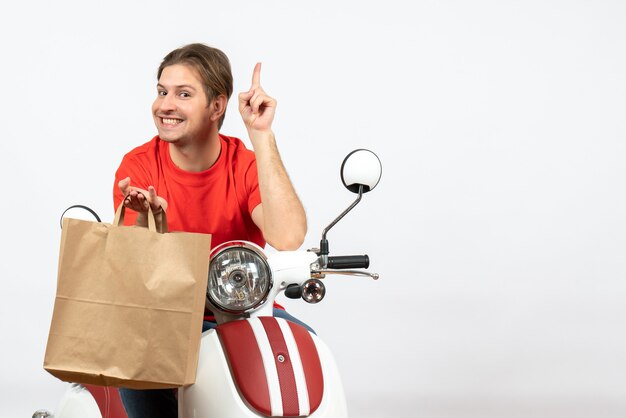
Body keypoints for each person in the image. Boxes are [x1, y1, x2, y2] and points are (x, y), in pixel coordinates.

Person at [112, 43, 309, 418]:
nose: (165, 105)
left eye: (183, 94)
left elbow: (288, 237)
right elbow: (131, 269)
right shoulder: (139, 165)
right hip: (165, 322)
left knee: (305, 352)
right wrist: (145, 219)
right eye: (161, 91)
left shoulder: (244, 164)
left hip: (243, 314)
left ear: (217, 106)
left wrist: (262, 135)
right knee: (140, 372)